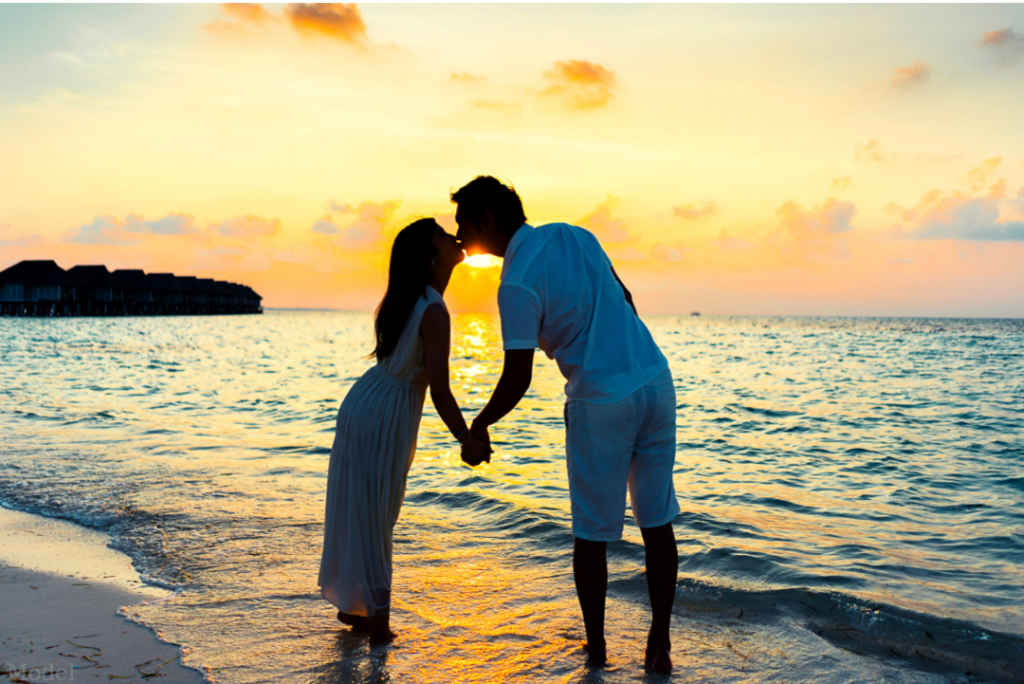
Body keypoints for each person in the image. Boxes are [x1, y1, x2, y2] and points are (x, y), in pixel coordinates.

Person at [452, 176, 679, 672]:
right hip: (655, 381)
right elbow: (626, 296)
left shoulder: (515, 283)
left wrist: (480, 423)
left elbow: (517, 376)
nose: (458, 236)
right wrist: (623, 353)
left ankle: (597, 651)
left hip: (601, 401)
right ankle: (658, 643)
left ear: (487, 221)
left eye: (462, 224)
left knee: (591, 535)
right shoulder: (575, 234)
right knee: (656, 520)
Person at [319, 218, 491, 645]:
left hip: (368, 402)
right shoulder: (432, 309)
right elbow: (441, 392)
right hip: (385, 412)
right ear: (431, 257)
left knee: (369, 512)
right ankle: (379, 628)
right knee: (378, 517)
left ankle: (358, 609)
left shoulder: (415, 300)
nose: (451, 234)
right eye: (439, 232)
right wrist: (466, 440)